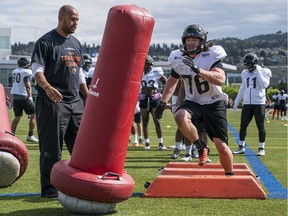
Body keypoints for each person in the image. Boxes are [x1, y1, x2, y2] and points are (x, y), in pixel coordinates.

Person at [155, 24, 234, 175]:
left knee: (222, 146)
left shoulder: (211, 54)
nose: (191, 42)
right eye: (188, 39)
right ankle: (200, 146)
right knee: (179, 115)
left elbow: (220, 79)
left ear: (202, 41)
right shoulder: (178, 57)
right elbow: (172, 80)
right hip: (193, 101)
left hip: (214, 103)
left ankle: (230, 174)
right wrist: (163, 101)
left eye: (195, 39)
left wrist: (198, 70)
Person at [31, 5, 87, 198]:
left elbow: (79, 74)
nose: (75, 23)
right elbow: (37, 70)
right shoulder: (45, 41)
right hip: (53, 102)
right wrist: (47, 87)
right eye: (72, 19)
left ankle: (82, 184)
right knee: (52, 149)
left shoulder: (77, 43)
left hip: (75, 102)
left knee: (81, 149)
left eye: (77, 20)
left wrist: (87, 96)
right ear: (61, 17)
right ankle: (50, 190)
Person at [233, 53, 272, 156]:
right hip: (247, 103)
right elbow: (243, 87)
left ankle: (261, 148)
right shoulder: (244, 73)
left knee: (260, 125)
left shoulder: (264, 71)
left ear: (254, 63)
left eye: (249, 64)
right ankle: (241, 146)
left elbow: (264, 85)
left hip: (259, 103)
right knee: (243, 126)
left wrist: (258, 71)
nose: (247, 66)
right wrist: (237, 101)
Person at [139, 55, 167, 150]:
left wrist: (161, 95)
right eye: (144, 63)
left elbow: (167, 83)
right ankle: (147, 143)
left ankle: (160, 143)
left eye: (146, 63)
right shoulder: (139, 72)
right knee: (145, 120)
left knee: (157, 120)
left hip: (153, 98)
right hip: (143, 98)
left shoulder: (156, 71)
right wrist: (139, 94)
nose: (145, 65)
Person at [10, 57, 39, 143]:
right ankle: (30, 135)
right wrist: (30, 97)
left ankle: (12, 135)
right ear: (26, 64)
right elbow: (27, 85)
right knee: (34, 114)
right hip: (23, 96)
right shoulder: (27, 72)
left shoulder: (14, 71)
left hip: (15, 96)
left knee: (17, 117)